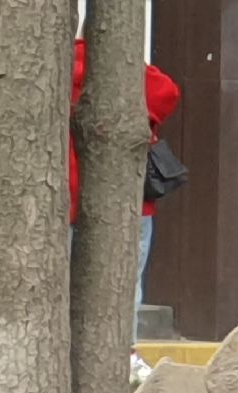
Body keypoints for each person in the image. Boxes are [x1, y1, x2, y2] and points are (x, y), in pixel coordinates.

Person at [68, 38, 182, 311]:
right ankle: (124, 350)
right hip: (124, 201)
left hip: (65, 199)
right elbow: (167, 92)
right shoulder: (129, 74)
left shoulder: (54, 70)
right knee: (123, 285)